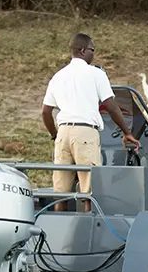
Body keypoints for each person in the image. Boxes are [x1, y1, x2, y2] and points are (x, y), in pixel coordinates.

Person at [41, 33, 140, 212]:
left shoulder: (58, 76)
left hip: (63, 132)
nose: (93, 54)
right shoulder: (95, 74)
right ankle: (89, 231)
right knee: (90, 191)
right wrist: (127, 132)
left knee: (61, 192)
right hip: (85, 132)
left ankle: (59, 233)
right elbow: (111, 106)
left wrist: (55, 134)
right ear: (83, 50)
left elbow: (46, 111)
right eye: (92, 50)